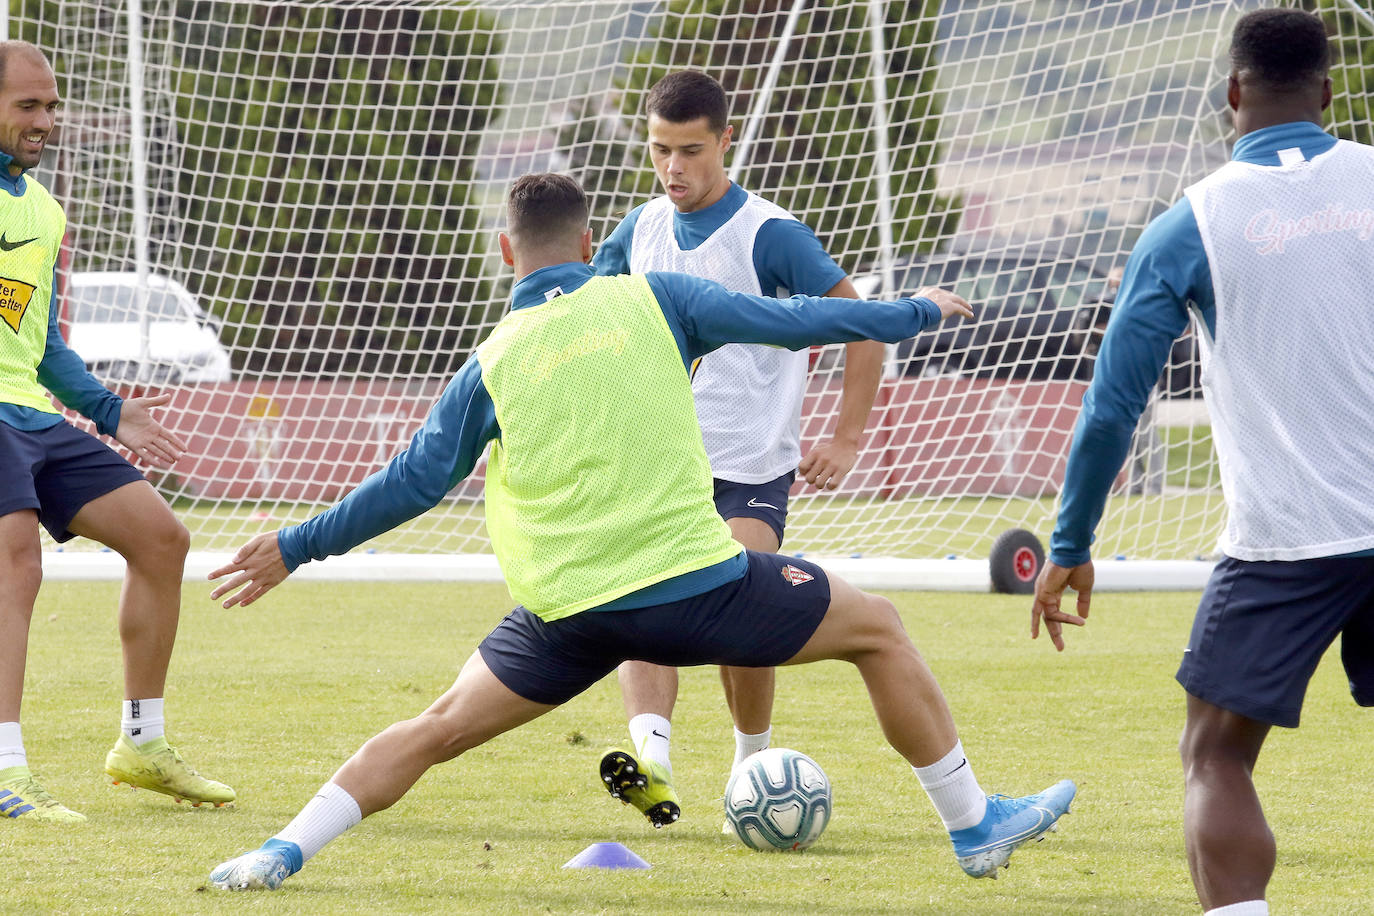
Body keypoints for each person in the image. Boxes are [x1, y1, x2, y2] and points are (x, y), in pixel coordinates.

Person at [206, 172, 1075, 890]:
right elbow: (801, 320)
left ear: (506, 252)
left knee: (434, 728)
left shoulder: (492, 360)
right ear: (591, 247)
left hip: (569, 617)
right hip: (697, 591)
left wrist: (294, 544)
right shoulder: (657, 300)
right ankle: (972, 827)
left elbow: (412, 484)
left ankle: (278, 853)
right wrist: (912, 311)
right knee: (878, 628)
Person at [1030, 10, 1374, 916]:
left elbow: (1113, 406)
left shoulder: (1191, 223)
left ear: (1232, 93)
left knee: (1216, 754)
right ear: (1331, 94)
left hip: (1285, 543)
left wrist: (1069, 543)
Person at [589, 69, 888, 827]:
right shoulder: (636, 232)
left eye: (690, 150)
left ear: (725, 140)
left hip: (749, 467)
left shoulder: (771, 236)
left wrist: (847, 436)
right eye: (660, 151)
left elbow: (867, 324)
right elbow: (582, 328)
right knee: (641, 603)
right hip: (655, 463)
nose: (673, 169)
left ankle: (749, 767)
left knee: (739, 614)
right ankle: (651, 765)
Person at [0, 41, 233, 822]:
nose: (46, 120)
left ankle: (142, 742)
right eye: (28, 105)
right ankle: (3, 769)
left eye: (52, 104)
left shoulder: (43, 211)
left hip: (28, 412)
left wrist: (110, 410)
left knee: (161, 538)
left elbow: (43, 340)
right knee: (16, 558)